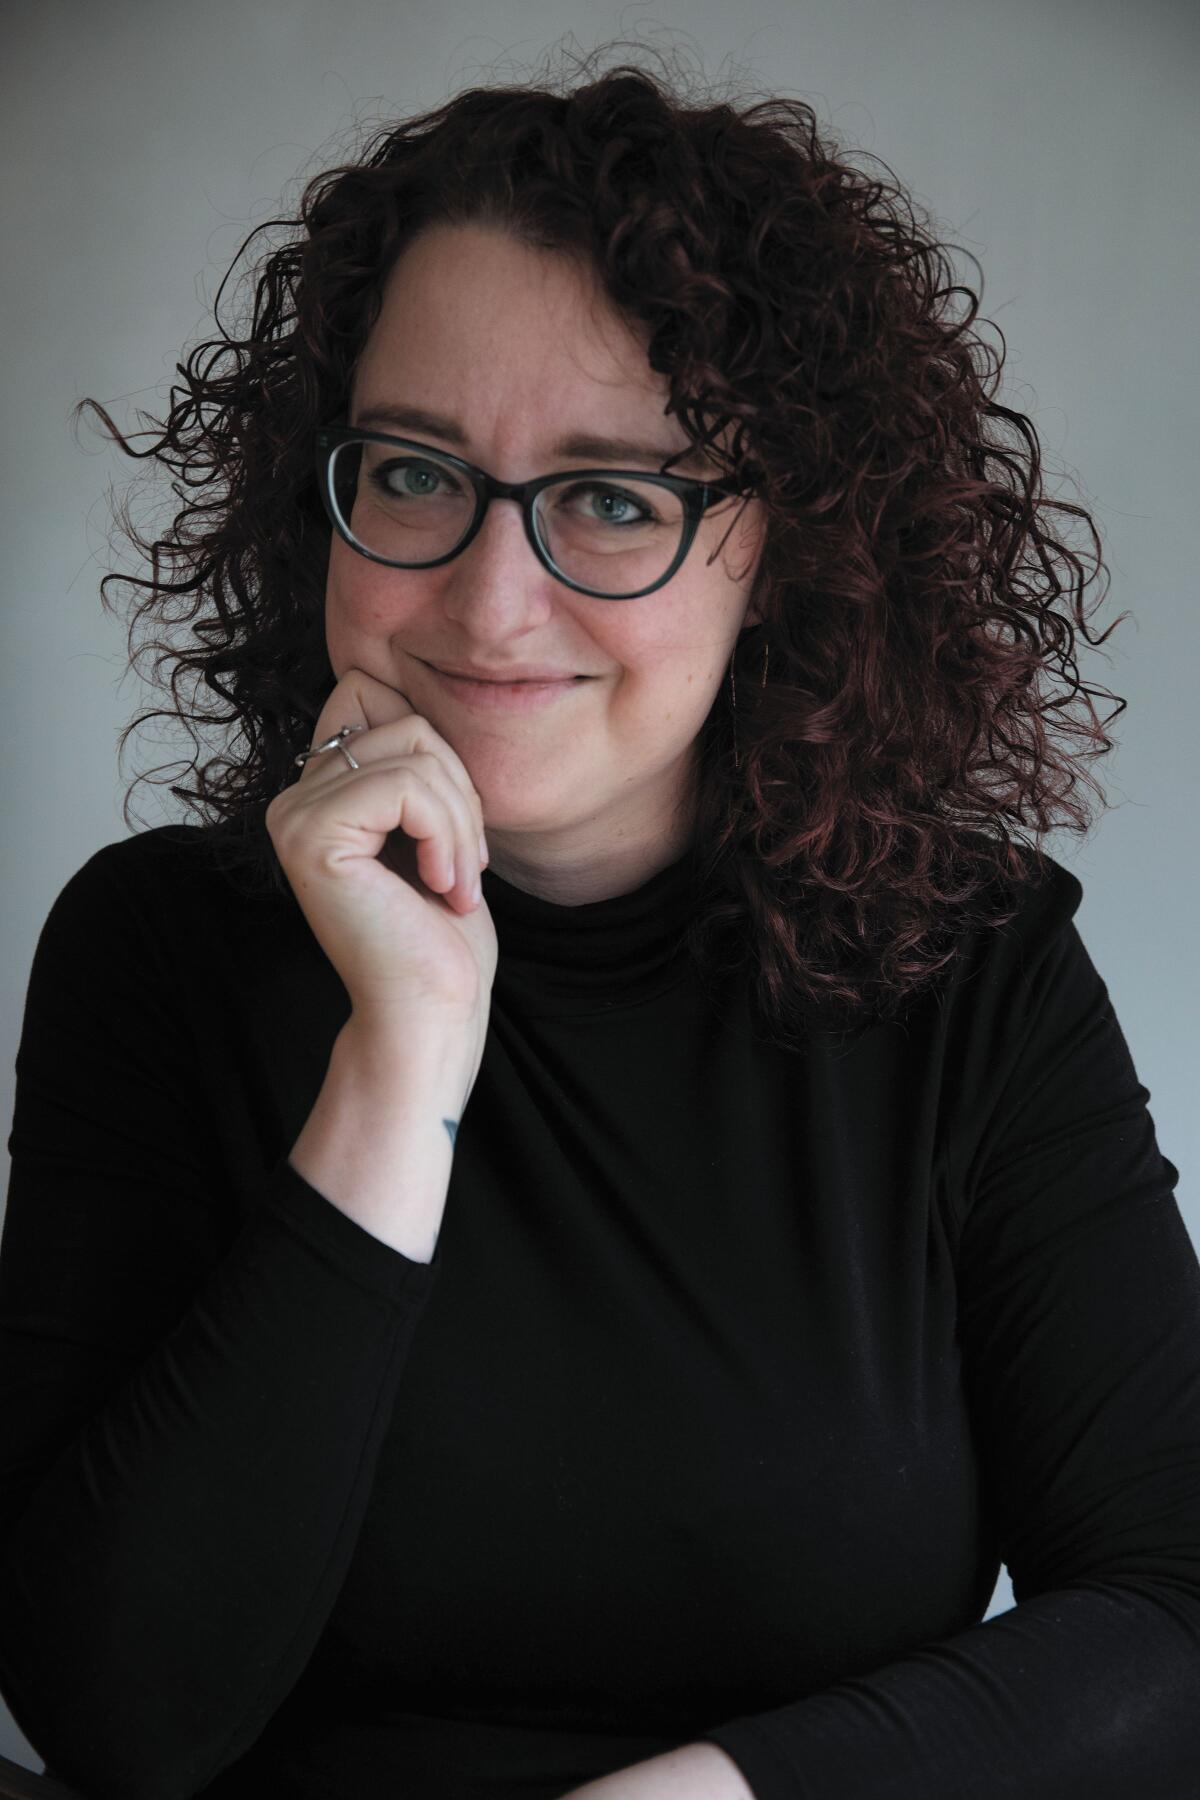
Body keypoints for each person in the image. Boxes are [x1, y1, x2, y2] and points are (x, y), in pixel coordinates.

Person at [2, 44, 1198, 1800]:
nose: (491, 603)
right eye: (413, 474)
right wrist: (398, 1068)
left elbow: (1173, 1616)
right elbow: (113, 1719)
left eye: (615, 500)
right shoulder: (157, 952)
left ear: (781, 549)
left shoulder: (978, 970)